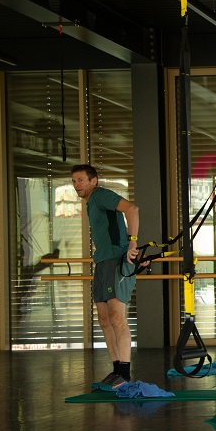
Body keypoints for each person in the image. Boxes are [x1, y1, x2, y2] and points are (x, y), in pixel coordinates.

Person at [71, 164, 140, 390]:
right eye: (74, 181)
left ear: (94, 181)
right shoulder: (91, 203)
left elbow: (132, 209)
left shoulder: (101, 195)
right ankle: (117, 369)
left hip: (115, 260)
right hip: (101, 262)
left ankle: (125, 373)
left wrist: (132, 242)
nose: (76, 185)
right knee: (103, 319)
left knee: (116, 317)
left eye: (81, 180)